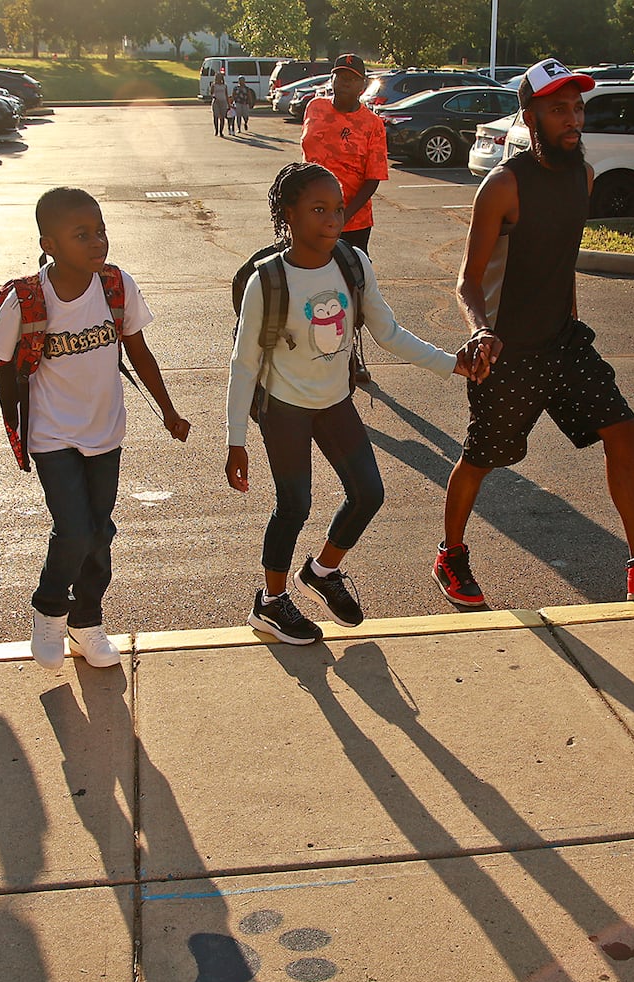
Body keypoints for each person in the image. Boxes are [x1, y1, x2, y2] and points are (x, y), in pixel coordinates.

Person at [433, 58, 634, 608]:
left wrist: (569, 322)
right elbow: (468, 283)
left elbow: (559, 263)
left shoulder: (583, 178)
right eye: (558, 109)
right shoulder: (503, 186)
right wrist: (481, 333)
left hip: (564, 343)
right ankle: (451, 554)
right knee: (481, 458)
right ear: (530, 115)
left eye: (577, 108)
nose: (573, 119)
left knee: (624, 429)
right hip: (508, 351)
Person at [226, 162, 492, 645]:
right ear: (289, 215)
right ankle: (269, 603)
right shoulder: (266, 281)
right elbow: (243, 364)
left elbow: (387, 332)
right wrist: (236, 442)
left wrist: (450, 363)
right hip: (283, 408)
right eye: (319, 209)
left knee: (368, 493)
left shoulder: (353, 263)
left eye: (339, 209)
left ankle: (323, 570)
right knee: (295, 505)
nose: (333, 219)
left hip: (334, 402)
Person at [0, 188, 191, 671]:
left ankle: (87, 622)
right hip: (52, 433)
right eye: (82, 235)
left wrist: (168, 409)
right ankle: (50, 608)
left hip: (106, 432)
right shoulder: (28, 297)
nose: (97, 242)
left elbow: (138, 351)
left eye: (100, 231)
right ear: (50, 244)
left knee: (100, 532)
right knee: (75, 529)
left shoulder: (116, 285)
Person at [301, 53, 387, 386]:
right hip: (309, 218)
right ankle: (315, 352)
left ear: (362, 85)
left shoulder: (372, 125)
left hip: (353, 222)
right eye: (339, 76)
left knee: (350, 289)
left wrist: (340, 216)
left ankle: (352, 356)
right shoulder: (315, 108)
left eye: (351, 78)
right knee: (310, 285)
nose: (343, 83)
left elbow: (373, 178)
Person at [210, 71, 230, 138]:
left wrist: (229, 104)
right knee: (216, 116)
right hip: (216, 102)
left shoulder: (224, 86)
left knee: (222, 117)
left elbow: (226, 95)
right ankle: (216, 130)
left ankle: (221, 131)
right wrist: (214, 97)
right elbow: (211, 93)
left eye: (220, 77)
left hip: (223, 102)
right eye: (217, 77)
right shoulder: (214, 85)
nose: (218, 79)